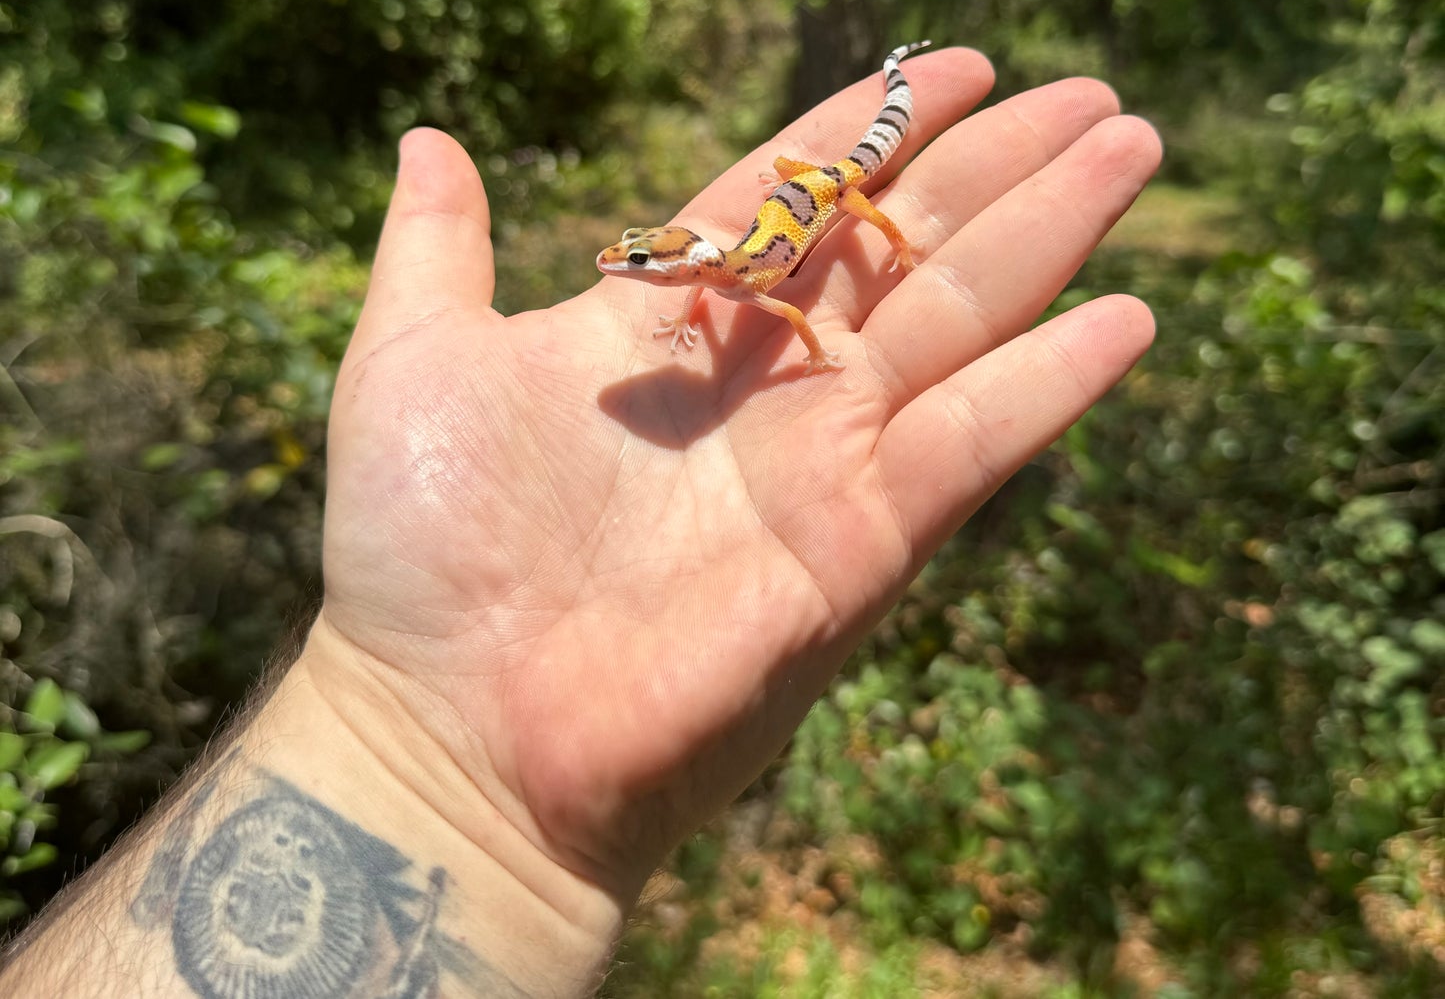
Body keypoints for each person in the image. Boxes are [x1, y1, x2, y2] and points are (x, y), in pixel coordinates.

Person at [0, 49, 1160, 998]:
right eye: (634, 260)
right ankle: (895, 87)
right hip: (783, 210)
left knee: (854, 177)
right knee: (822, 183)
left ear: (675, 261)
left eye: (638, 260)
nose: (625, 268)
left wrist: (879, 240)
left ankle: (900, 85)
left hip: (820, 198)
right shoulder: (709, 276)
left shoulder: (749, 275)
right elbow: (699, 285)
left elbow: (803, 310)